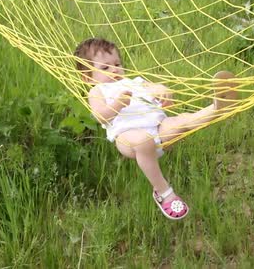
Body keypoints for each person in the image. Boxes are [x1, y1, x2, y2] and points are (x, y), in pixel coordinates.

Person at [74, 38, 238, 220]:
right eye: (105, 68)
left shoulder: (134, 82)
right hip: (128, 137)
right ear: (87, 77)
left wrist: (162, 91)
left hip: (158, 128)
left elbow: (155, 88)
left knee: (183, 121)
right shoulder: (97, 91)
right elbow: (100, 116)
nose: (114, 69)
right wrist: (117, 105)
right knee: (143, 141)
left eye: (117, 64)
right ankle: (162, 191)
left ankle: (218, 108)